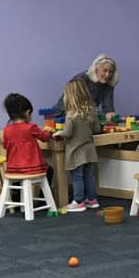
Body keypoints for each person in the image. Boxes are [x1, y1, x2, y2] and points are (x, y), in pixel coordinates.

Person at [54, 78, 102, 212]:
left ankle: (78, 201)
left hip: (76, 151)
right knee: (89, 175)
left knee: (77, 177)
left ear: (69, 96)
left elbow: (68, 132)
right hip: (89, 149)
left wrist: (59, 133)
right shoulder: (91, 112)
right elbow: (97, 129)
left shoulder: (71, 115)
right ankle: (92, 200)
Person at [53, 54, 118, 121]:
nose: (107, 75)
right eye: (105, 70)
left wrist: (110, 114)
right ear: (96, 69)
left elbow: (108, 109)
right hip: (62, 115)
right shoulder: (81, 79)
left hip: (84, 118)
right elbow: (75, 106)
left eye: (111, 72)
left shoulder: (108, 83)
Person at [2, 92, 51, 175]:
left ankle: (15, 188)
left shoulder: (6, 129)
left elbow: (5, 146)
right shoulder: (31, 127)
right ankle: (41, 189)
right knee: (50, 171)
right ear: (27, 112)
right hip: (33, 168)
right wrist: (47, 131)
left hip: (13, 169)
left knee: (18, 179)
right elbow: (44, 138)